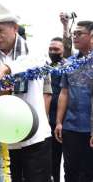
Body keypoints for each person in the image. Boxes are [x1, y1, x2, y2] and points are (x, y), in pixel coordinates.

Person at [0, 0, 51, 182]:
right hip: (4, 141)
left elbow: (40, 61)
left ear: (15, 28)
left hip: (36, 137)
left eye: (0, 30)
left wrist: (6, 68)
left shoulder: (33, 50)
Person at [55, 21, 93, 182]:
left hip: (89, 129)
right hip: (70, 126)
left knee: (88, 172)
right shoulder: (70, 63)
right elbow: (64, 92)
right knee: (70, 171)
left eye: (79, 34)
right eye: (74, 34)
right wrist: (58, 122)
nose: (75, 37)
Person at [47, 36, 66, 182]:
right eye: (51, 49)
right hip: (49, 122)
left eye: (56, 49)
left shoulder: (69, 67)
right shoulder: (45, 68)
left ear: (63, 50)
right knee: (52, 161)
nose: (53, 51)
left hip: (68, 122)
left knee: (70, 162)